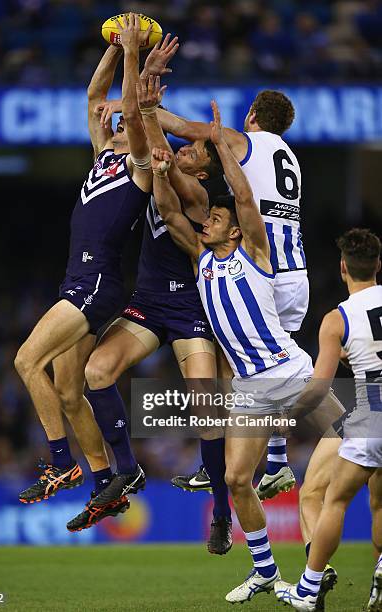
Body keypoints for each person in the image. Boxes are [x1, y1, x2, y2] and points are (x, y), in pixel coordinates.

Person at [150, 101, 315, 604]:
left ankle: (289, 469)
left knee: (363, 442)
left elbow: (244, 197)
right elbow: (170, 213)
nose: (209, 220)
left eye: (217, 217)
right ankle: (266, 571)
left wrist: (221, 140)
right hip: (251, 390)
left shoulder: (256, 254)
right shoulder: (201, 261)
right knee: (236, 478)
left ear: (236, 229)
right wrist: (160, 174)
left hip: (291, 373)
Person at [15, 14, 153, 528]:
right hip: (79, 281)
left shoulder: (138, 164)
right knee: (69, 390)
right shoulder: (101, 155)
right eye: (110, 119)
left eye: (120, 118)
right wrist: (116, 48)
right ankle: (104, 485)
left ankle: (59, 464)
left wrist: (135, 54)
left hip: (96, 283)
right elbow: (96, 96)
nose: (112, 119)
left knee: (27, 361)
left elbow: (131, 109)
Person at [82, 74, 230, 551]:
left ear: (203, 172)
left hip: (189, 308)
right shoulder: (159, 166)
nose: (183, 151)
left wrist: (147, 113)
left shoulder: (200, 198)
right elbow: (135, 145)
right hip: (147, 304)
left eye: (193, 152)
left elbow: (168, 207)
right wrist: (134, 106)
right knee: (97, 371)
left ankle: (222, 512)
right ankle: (126, 469)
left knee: (208, 405)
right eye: (181, 149)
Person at [275, 228, 382, 611]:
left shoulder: (337, 319)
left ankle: (308, 587)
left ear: (342, 269)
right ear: (378, 266)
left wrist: (290, 414)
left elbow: (319, 388)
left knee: (333, 500)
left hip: (371, 419)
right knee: (380, 504)